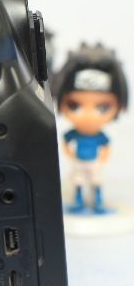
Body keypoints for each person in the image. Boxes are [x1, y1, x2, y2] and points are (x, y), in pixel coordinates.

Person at [53, 43, 129, 214]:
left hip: (93, 162)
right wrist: (69, 153)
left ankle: (98, 202)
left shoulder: (99, 136)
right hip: (79, 162)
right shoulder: (74, 134)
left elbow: (106, 147)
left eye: (103, 107)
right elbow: (66, 142)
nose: (88, 115)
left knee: (96, 181)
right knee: (78, 181)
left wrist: (102, 158)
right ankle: (78, 202)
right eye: (74, 105)